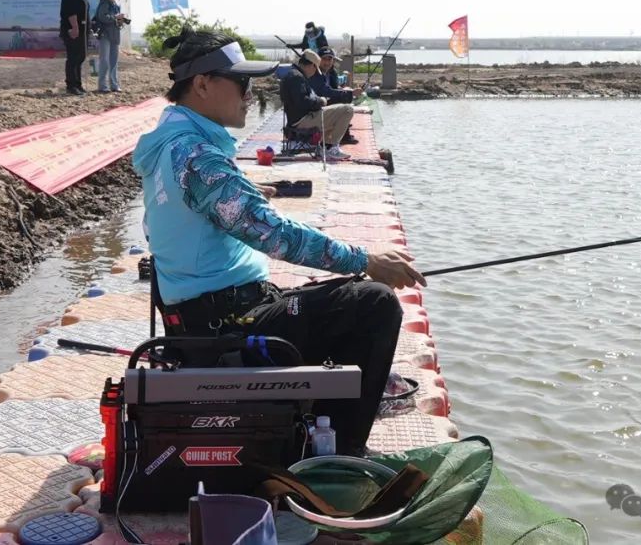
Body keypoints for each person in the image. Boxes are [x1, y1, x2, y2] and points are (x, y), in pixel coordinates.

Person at [132, 28, 425, 455]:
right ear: (201, 84)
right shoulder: (197, 157)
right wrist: (366, 260)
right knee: (373, 302)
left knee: (335, 300)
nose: (250, 94)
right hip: (225, 331)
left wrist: (241, 193)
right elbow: (276, 236)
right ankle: (337, 457)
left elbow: (187, 213)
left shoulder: (168, 145)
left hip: (205, 320)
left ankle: (317, 423)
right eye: (241, 83)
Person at [280, 49, 354, 159]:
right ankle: (330, 148)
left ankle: (324, 146)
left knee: (335, 113)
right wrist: (321, 101)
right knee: (347, 109)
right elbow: (303, 102)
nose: (315, 72)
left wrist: (318, 101)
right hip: (302, 120)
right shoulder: (297, 78)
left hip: (298, 118)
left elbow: (301, 99)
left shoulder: (293, 75)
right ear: (312, 66)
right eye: (316, 69)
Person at [309, 46, 361, 145]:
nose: (327, 62)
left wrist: (345, 91)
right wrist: (351, 93)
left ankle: (342, 131)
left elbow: (334, 89)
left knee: (343, 95)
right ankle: (335, 141)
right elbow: (325, 91)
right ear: (318, 60)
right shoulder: (315, 74)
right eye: (324, 59)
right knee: (344, 100)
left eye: (330, 59)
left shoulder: (332, 73)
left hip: (325, 102)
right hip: (315, 106)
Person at [94, 0, 129, 93]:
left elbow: (111, 19)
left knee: (114, 61)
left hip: (114, 34)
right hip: (105, 34)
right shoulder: (104, 3)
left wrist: (120, 20)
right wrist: (116, 17)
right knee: (104, 60)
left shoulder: (115, 4)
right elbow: (102, 17)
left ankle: (114, 85)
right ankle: (103, 86)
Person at [59, 0, 90, 95]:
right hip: (73, 32)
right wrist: (75, 27)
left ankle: (78, 83)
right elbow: (71, 13)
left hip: (82, 32)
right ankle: (71, 85)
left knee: (80, 57)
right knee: (73, 58)